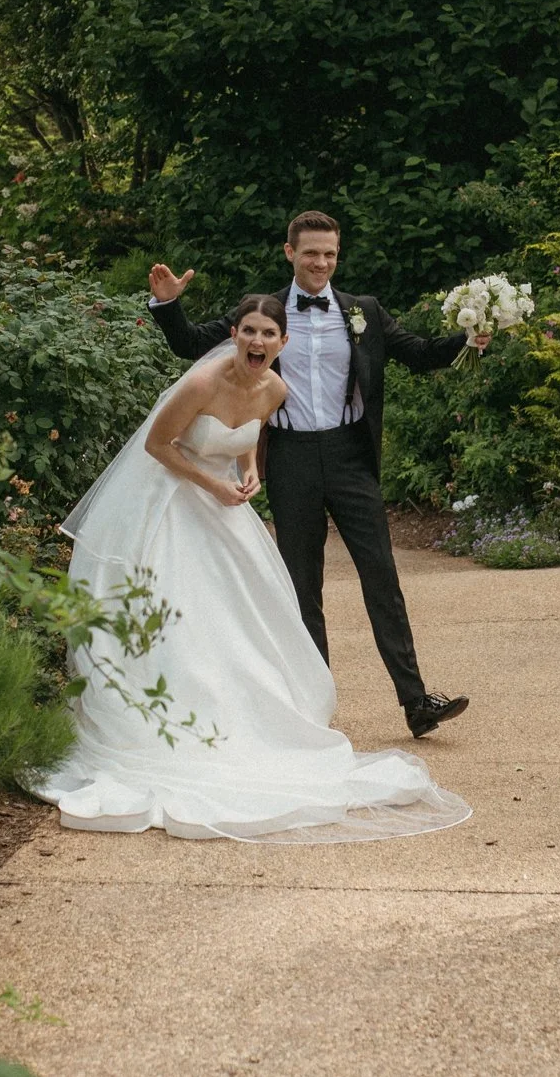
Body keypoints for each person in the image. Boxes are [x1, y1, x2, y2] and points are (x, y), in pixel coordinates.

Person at [27, 294, 471, 841]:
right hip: (172, 501)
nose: (257, 342)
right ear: (235, 334)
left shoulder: (276, 389)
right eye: (249, 332)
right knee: (183, 613)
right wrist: (215, 484)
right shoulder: (200, 384)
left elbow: (248, 440)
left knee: (245, 611)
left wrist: (247, 474)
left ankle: (270, 711)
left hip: (226, 503)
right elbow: (157, 445)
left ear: (282, 344)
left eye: (268, 335)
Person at [146, 211, 487, 738]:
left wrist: (467, 339)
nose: (321, 263)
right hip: (292, 458)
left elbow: (418, 354)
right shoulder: (264, 317)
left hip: (351, 455)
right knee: (303, 585)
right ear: (290, 254)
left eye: (329, 253)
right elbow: (190, 343)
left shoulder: (364, 312)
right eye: (310, 253)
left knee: (382, 576)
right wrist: (169, 304)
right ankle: (314, 707)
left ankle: (417, 702)